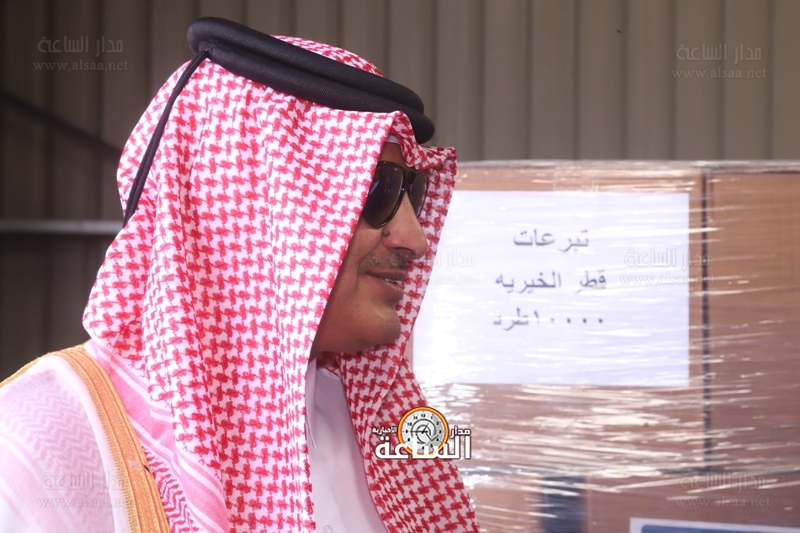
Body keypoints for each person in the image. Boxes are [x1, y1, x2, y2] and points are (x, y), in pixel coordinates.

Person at [0, 18, 479, 533]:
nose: (414, 238)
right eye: (376, 191)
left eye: (412, 194)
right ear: (246, 208)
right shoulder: (36, 445)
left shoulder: (368, 424)